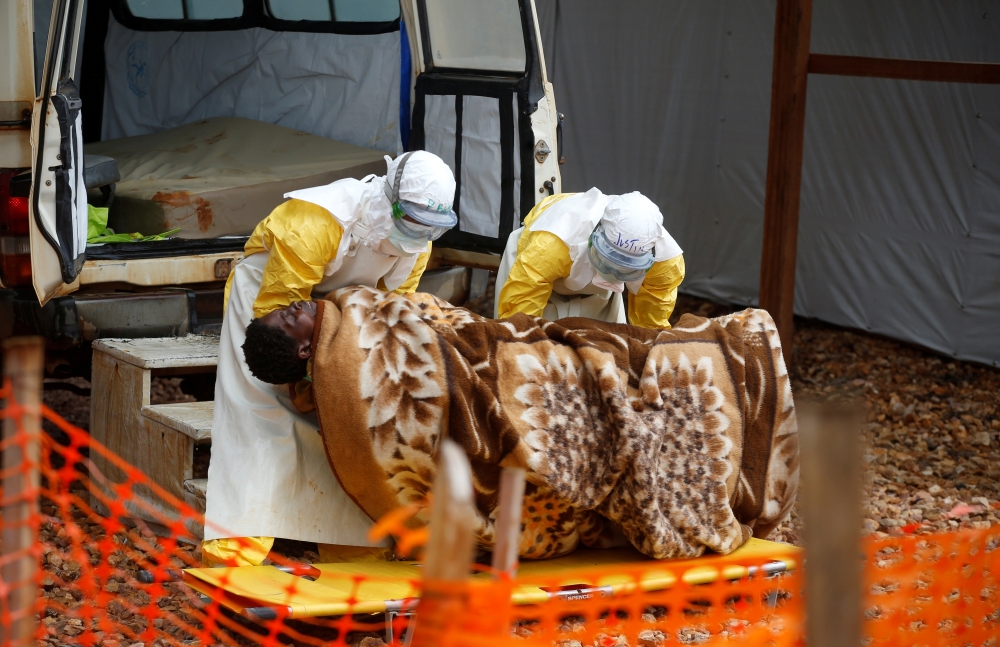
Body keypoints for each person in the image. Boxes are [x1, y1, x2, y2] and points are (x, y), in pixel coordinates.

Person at [240, 287, 799, 562]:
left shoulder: (346, 318)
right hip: (509, 375)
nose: (304, 304)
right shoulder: (344, 370)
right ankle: (737, 359)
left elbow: (445, 323)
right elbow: (406, 410)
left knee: (612, 351)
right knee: (611, 388)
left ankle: (723, 357)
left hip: (502, 346)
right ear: (309, 347)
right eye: (294, 316)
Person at [203, 151, 458, 566]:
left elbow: (390, 308)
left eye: (429, 228)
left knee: (342, 426)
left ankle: (352, 550)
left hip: (335, 318)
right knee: (258, 419)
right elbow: (280, 313)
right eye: (410, 221)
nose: (416, 235)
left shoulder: (416, 243)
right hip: (275, 312)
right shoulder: (317, 220)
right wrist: (304, 375)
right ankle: (235, 553)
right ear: (388, 196)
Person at [495, 189, 685, 328]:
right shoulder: (554, 240)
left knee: (605, 347)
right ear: (595, 238)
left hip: (593, 287)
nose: (613, 275)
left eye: (625, 269)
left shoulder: (665, 264)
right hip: (534, 268)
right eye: (609, 262)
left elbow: (650, 324)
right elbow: (519, 314)